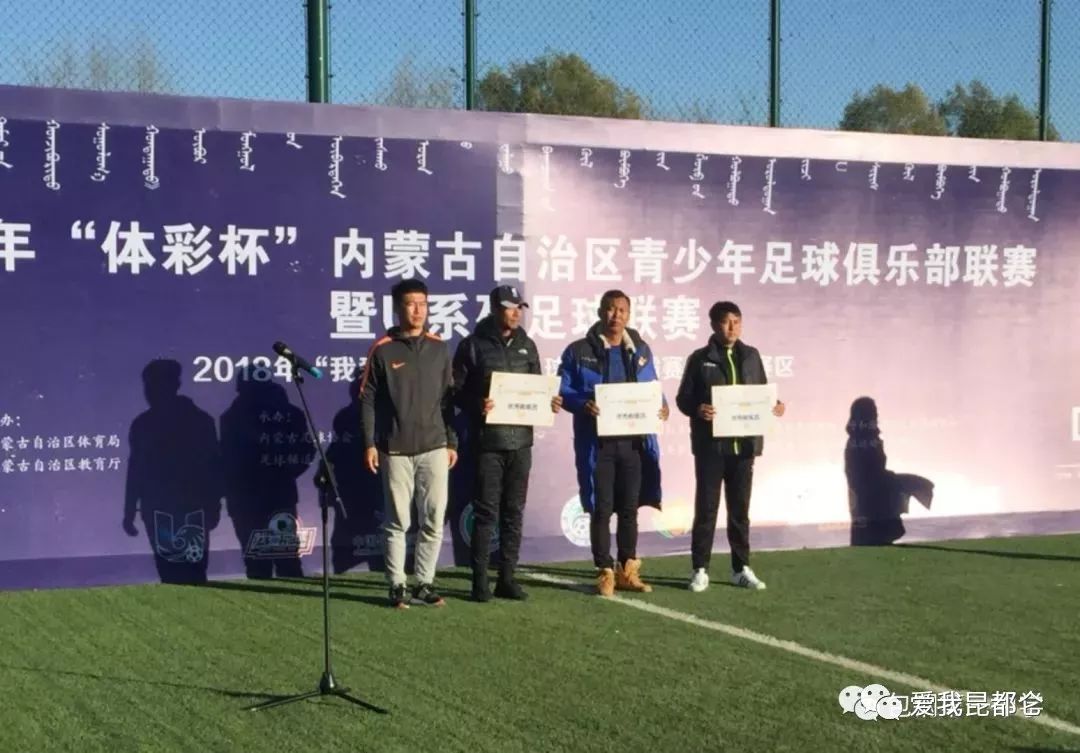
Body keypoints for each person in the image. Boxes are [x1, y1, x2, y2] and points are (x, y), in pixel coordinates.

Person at [452, 285, 562, 602]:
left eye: (519, 308)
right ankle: (479, 582)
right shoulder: (473, 345)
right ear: (495, 308)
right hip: (488, 443)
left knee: (514, 511)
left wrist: (550, 402)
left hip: (522, 443)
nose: (516, 313)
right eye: (510, 307)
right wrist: (477, 403)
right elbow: (455, 391)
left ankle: (507, 578)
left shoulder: (527, 345)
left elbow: (539, 388)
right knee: (486, 513)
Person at [558, 290, 668, 597]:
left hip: (634, 443)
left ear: (628, 315)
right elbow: (562, 390)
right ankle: (604, 570)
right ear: (599, 312)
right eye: (610, 309)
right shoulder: (578, 351)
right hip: (599, 445)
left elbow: (652, 386)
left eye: (621, 310)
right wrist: (583, 404)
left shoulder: (640, 349)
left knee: (630, 509)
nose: (615, 315)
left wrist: (662, 406)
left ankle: (627, 569)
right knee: (601, 508)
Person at [360, 279, 458, 609]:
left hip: (435, 445)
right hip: (395, 448)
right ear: (398, 308)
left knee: (433, 519)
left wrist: (451, 441)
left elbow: (448, 399)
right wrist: (370, 443)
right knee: (398, 521)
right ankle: (397, 584)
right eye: (410, 304)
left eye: (423, 304)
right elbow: (367, 399)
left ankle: (424, 583)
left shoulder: (440, 348)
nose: (418, 310)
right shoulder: (383, 349)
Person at [676, 301, 785, 593]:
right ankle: (700, 568)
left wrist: (775, 405)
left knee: (740, 511)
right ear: (714, 325)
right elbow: (683, 399)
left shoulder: (751, 356)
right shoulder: (700, 359)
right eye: (726, 322)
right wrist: (698, 409)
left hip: (744, 446)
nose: (733, 327)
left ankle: (741, 568)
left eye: (737, 321)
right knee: (706, 509)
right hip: (711, 448)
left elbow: (762, 393)